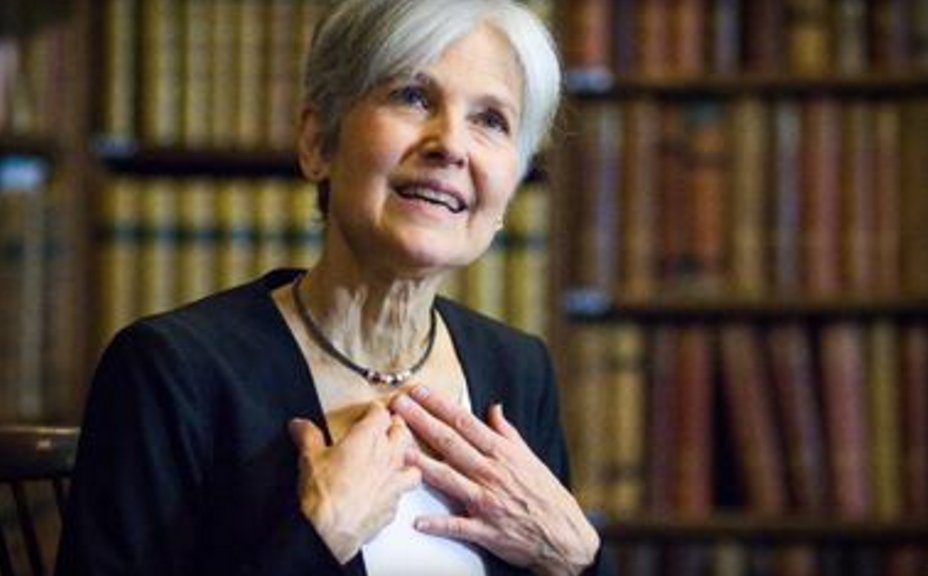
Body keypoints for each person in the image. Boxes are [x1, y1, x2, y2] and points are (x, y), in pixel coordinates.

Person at [56, 0, 609, 574]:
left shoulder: (519, 370)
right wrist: (318, 537)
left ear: (510, 190)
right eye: (413, 97)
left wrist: (579, 560)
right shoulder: (173, 371)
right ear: (319, 142)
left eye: (491, 120)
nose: (451, 144)